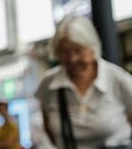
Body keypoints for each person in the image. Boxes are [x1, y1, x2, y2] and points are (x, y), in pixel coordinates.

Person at [35, 15, 132, 149]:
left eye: (78, 50)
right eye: (64, 52)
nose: (72, 58)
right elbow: (48, 129)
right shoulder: (48, 84)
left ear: (92, 49)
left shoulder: (117, 79)